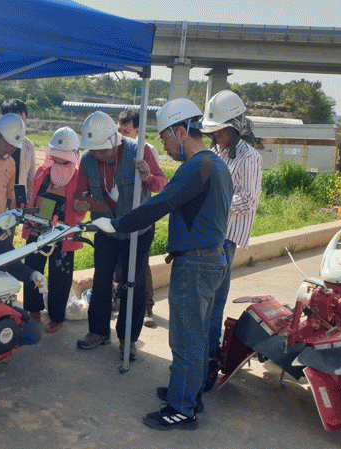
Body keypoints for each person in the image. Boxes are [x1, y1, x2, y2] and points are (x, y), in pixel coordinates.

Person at [92, 98, 233, 430]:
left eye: (166, 138)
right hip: (212, 258)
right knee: (197, 336)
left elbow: (161, 203)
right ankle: (189, 393)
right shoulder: (217, 165)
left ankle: (182, 408)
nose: (165, 146)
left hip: (196, 264)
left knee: (186, 339)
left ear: (181, 132)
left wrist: (117, 224)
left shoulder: (196, 166)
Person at [73, 111, 167, 360]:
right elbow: (79, 195)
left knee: (133, 283)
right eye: (93, 150)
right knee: (102, 279)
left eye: (101, 150)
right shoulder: (87, 160)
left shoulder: (139, 151)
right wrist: (79, 203)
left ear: (113, 141)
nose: (97, 154)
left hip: (138, 229)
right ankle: (99, 331)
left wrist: (146, 176)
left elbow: (161, 184)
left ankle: (128, 338)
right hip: (106, 229)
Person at [201, 90, 263, 391]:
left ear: (236, 128)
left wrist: (214, 202)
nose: (217, 136)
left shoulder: (250, 158)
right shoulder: (219, 152)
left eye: (222, 131)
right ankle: (199, 356)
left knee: (214, 301)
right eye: (214, 131)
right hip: (210, 233)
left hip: (226, 239)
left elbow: (248, 199)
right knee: (204, 299)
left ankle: (208, 362)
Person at [21, 127, 85, 334]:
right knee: (33, 268)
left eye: (63, 160)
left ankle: (57, 317)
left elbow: (81, 210)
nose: (58, 163)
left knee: (60, 275)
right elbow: (34, 198)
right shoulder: (43, 171)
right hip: (38, 226)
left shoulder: (79, 177)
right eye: (55, 158)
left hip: (64, 232)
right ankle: (33, 309)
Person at [115, 108, 160, 327]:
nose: (122, 135)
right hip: (119, 218)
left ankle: (147, 307)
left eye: (126, 131)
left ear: (137, 131)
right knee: (120, 264)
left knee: (141, 267)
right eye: (119, 130)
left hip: (141, 217)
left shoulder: (146, 150)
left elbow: (157, 183)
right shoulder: (115, 149)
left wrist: (145, 174)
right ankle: (120, 300)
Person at [0, 99, 36, 203]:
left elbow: (31, 179)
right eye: (13, 118)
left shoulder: (28, 146)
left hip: (16, 198)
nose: (18, 123)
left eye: (21, 118)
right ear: (2, 118)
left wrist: (29, 203)